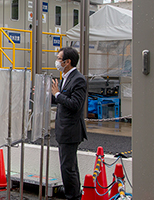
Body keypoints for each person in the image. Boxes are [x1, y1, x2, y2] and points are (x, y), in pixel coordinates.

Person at [51, 47, 87, 200]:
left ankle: (73, 196)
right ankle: (75, 195)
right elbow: (61, 100)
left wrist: (57, 94)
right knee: (70, 167)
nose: (58, 61)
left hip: (70, 131)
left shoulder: (78, 79)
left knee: (67, 168)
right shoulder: (66, 77)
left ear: (67, 62)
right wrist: (49, 95)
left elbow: (75, 104)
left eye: (59, 59)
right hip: (64, 130)